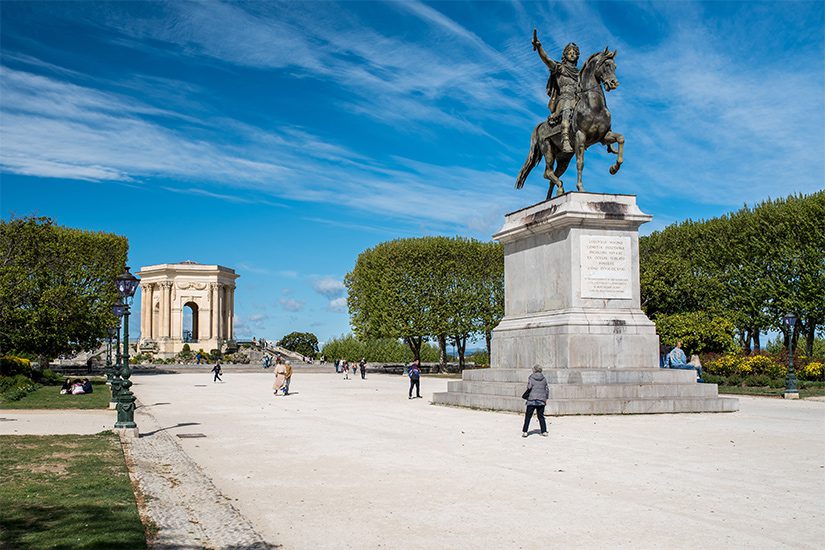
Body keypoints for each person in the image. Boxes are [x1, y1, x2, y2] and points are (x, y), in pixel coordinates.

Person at [532, 32, 580, 153]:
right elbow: (546, 59)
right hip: (563, 99)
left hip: (577, 98)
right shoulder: (560, 68)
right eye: (570, 53)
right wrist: (539, 47)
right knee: (567, 106)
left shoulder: (579, 73)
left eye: (574, 53)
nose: (572, 55)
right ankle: (565, 141)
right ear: (565, 55)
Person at [522, 365, 550, 437]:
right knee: (541, 416)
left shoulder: (531, 377)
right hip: (541, 400)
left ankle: (525, 431)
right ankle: (544, 431)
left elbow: (529, 387)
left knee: (528, 416)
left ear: (534, 370)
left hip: (532, 399)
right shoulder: (544, 379)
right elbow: (547, 390)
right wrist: (546, 398)